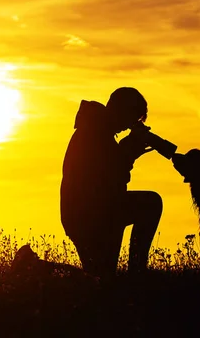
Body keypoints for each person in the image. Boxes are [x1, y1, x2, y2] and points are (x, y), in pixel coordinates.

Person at [60, 87, 163, 278]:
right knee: (151, 203)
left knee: (101, 277)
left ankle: (35, 267)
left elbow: (110, 176)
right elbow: (108, 178)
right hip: (93, 214)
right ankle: (137, 273)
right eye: (131, 119)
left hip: (89, 214)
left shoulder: (96, 129)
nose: (129, 126)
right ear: (120, 111)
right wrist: (129, 151)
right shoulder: (94, 132)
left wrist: (127, 152)